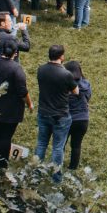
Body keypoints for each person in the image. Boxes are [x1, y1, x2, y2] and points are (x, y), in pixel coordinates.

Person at [0, 37, 31, 168]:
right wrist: (30, 104)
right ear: (15, 53)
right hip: (11, 108)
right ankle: (2, 164)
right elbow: (23, 91)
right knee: (6, 136)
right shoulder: (16, 69)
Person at [35, 44, 79, 183]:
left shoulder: (41, 69)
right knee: (57, 148)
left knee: (41, 143)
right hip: (60, 115)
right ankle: (56, 177)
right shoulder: (66, 74)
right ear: (62, 56)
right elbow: (76, 91)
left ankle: (34, 173)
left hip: (43, 112)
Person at [65, 60, 92, 170]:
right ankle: (72, 168)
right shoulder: (86, 83)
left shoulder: (65, 85)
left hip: (67, 119)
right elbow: (88, 98)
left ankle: (56, 166)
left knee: (61, 145)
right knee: (76, 146)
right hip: (83, 120)